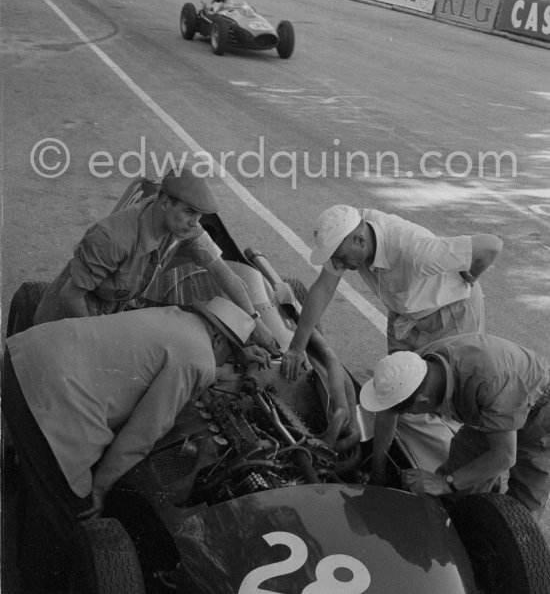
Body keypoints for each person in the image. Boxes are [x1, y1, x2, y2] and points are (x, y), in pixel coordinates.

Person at [2, 299, 268, 590]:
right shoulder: (199, 358)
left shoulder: (177, 319)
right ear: (218, 339)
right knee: (76, 514)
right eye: (230, 357)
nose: (226, 364)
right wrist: (100, 487)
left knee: (48, 486)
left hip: (26, 358)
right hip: (50, 399)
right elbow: (143, 433)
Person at [33, 166, 279, 353]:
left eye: (200, 216)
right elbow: (70, 296)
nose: (196, 222)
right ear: (163, 202)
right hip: (65, 320)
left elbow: (222, 272)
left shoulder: (184, 226)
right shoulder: (113, 238)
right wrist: (103, 345)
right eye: (190, 212)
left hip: (110, 310)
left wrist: (255, 322)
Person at [281, 204, 503, 383]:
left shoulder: (415, 251)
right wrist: (297, 347)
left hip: (449, 313)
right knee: (396, 386)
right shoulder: (348, 228)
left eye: (339, 257)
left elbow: (491, 245)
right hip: (404, 310)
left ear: (359, 241)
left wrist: (472, 275)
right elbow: (323, 288)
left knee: (449, 387)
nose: (336, 264)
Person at [359, 334, 550, 520]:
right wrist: (378, 472)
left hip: (540, 411)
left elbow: (504, 456)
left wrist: (444, 483)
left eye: (409, 412)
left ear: (423, 401)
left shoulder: (490, 381)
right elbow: (387, 413)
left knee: (523, 512)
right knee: (456, 492)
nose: (408, 415)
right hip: (492, 406)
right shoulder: (414, 368)